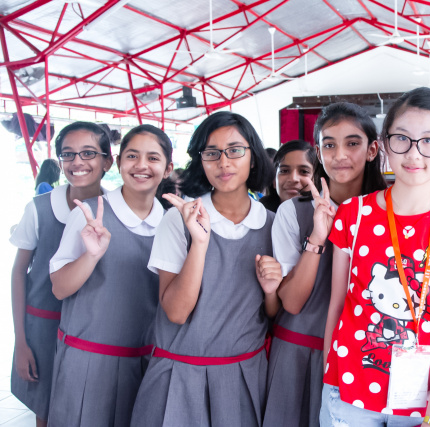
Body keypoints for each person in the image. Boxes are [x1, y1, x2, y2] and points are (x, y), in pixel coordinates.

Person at [321, 88, 430, 427]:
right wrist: (329, 375)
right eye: (402, 139)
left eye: (429, 141)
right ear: (385, 144)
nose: (413, 153)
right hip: (347, 393)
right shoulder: (354, 213)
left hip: (422, 401)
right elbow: (337, 306)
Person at [130, 111, 281, 427]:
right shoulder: (178, 220)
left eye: (235, 150)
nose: (224, 162)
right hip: (180, 376)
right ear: (201, 161)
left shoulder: (271, 225)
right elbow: (176, 313)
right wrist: (199, 243)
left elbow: (271, 313)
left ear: (253, 157)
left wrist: (271, 292)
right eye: (212, 153)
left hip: (244, 376)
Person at [264, 103, 387, 427]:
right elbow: (292, 302)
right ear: (318, 152)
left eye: (352, 143)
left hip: (365, 359)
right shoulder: (294, 211)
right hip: (298, 351)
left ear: (372, 150)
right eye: (329, 145)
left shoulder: (390, 211)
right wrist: (318, 236)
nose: (340, 154)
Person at [48, 124, 173, 427]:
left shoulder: (172, 222)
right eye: (132, 156)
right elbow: (59, 288)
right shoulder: (90, 214)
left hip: (148, 363)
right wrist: (91, 255)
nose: (141, 165)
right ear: (117, 163)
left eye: (153, 158)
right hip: (89, 365)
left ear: (168, 168)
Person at [10, 122, 113, 427]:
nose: (77, 161)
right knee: (45, 410)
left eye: (88, 153)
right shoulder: (39, 209)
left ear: (108, 161)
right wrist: (21, 342)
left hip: (94, 332)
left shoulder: (117, 210)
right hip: (43, 329)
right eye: (68, 154)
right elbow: (19, 273)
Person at [259, 139, 316, 213]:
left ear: (317, 179)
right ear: (274, 180)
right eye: (284, 171)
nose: (293, 179)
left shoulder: (327, 216)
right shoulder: (259, 215)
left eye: (304, 171)